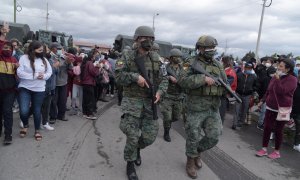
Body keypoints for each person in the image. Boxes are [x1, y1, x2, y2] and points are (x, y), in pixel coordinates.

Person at [115, 25, 168, 180]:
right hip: (132, 101)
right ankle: (130, 163)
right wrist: (134, 77)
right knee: (132, 134)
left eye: (151, 39)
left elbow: (164, 79)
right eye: (145, 38)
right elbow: (117, 76)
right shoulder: (127, 56)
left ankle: (137, 149)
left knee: (149, 137)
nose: (149, 41)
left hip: (150, 102)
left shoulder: (156, 58)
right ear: (137, 39)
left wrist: (160, 92)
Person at [178, 35, 226, 179]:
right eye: (209, 48)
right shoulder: (190, 62)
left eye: (214, 48)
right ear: (200, 48)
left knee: (214, 136)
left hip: (212, 107)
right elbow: (182, 80)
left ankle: (197, 151)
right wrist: (203, 79)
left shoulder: (218, 64)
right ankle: (190, 161)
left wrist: (226, 89)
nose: (212, 50)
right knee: (193, 136)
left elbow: (224, 81)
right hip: (195, 107)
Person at [256, 58, 297, 159]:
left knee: (279, 130)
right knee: (267, 127)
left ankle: (277, 151)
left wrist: (278, 79)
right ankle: (264, 149)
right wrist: (262, 100)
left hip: (282, 109)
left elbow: (282, 91)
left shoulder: (292, 79)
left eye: (281, 66)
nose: (278, 67)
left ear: (287, 69)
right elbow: (269, 90)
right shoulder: (275, 77)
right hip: (270, 107)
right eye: (279, 65)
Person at [17, 41, 52, 141]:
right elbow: (20, 73)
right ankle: (26, 124)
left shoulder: (44, 60)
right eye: (39, 50)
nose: (42, 52)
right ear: (33, 50)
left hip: (39, 89)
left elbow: (49, 72)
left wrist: (44, 76)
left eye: (42, 50)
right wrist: (36, 76)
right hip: (25, 88)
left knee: (37, 110)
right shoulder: (24, 58)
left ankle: (37, 130)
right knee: (23, 110)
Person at [160, 48, 185, 142]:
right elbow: (160, 77)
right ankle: (166, 132)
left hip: (179, 96)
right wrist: (168, 77)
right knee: (167, 116)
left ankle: (168, 123)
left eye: (179, 57)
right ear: (171, 58)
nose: (178, 59)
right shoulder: (164, 67)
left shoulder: (183, 68)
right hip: (167, 96)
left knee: (176, 117)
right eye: (176, 57)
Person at [0, 41, 18, 144]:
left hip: (10, 91)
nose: (7, 49)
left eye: (9, 48)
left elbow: (17, 76)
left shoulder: (14, 60)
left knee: (7, 112)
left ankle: (8, 135)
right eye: (5, 47)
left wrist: (17, 68)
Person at [49, 42, 73, 122]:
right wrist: (64, 62)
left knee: (63, 100)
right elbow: (55, 67)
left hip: (63, 82)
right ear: (52, 48)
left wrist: (69, 62)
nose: (60, 50)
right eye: (58, 48)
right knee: (53, 101)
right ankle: (53, 117)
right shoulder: (50, 57)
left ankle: (61, 115)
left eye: (60, 48)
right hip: (54, 83)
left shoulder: (64, 57)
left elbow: (70, 68)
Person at [232, 62, 257, 129]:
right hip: (238, 94)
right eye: (247, 68)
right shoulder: (239, 75)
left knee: (244, 110)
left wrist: (252, 91)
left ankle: (240, 123)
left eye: (250, 68)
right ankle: (234, 124)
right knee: (237, 109)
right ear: (244, 68)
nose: (248, 69)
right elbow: (235, 83)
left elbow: (256, 86)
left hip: (247, 96)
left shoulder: (254, 76)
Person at [41, 44, 59, 130]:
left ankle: (45, 122)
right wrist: (54, 67)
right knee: (37, 106)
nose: (49, 51)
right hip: (42, 87)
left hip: (51, 86)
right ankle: (24, 119)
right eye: (47, 49)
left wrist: (55, 67)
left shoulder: (51, 59)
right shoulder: (40, 60)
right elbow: (46, 73)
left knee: (47, 106)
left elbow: (56, 71)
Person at [81, 49, 101, 120]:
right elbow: (94, 73)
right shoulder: (90, 63)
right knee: (89, 99)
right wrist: (98, 68)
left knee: (85, 99)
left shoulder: (86, 62)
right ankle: (89, 114)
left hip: (85, 82)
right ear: (92, 57)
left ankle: (85, 113)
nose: (96, 57)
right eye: (95, 56)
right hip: (89, 83)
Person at [219, 56, 237, 123]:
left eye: (221, 61)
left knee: (221, 114)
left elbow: (226, 84)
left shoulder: (230, 72)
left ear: (224, 62)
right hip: (221, 94)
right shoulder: (225, 70)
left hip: (224, 95)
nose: (220, 62)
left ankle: (219, 128)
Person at [292, 73, 300, 152]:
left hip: (299, 111)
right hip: (290, 108)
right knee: (280, 123)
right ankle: (273, 133)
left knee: (299, 128)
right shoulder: (294, 84)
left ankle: (296, 144)